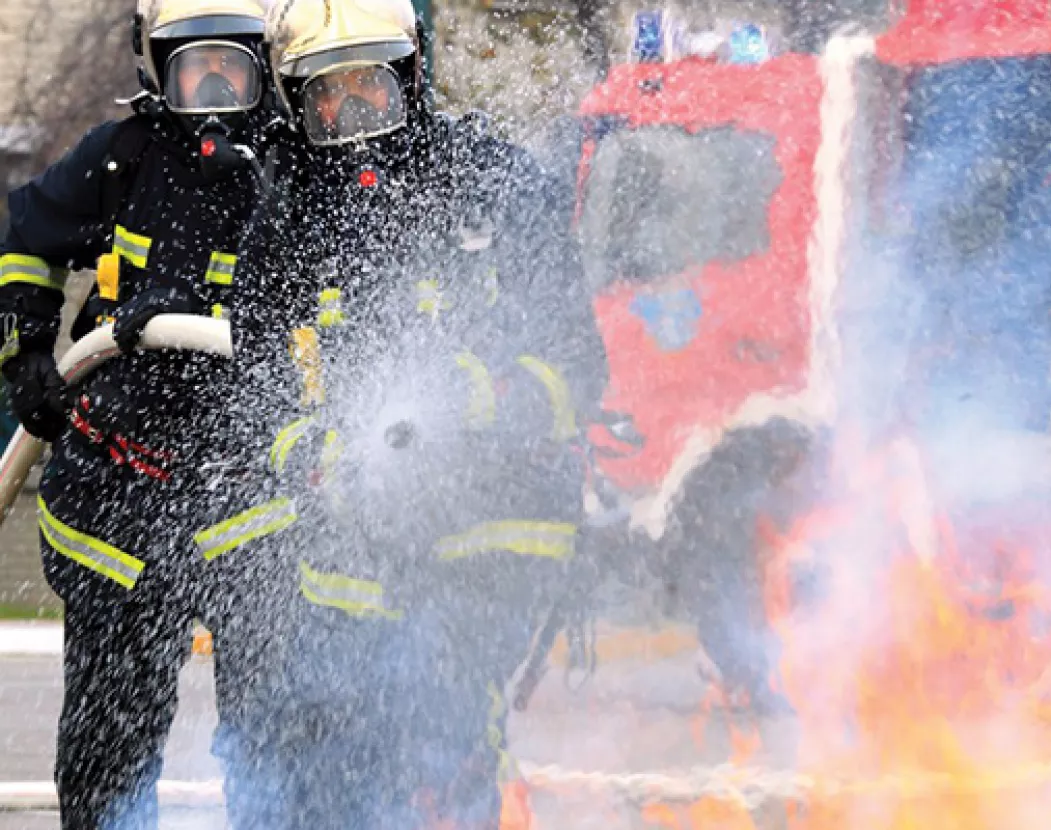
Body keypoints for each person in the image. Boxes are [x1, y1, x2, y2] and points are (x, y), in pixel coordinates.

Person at [211, 0, 607, 826]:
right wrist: (311, 452)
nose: (351, 110)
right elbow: (259, 387)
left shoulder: (494, 185)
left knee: (440, 740)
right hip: (347, 545)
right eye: (328, 92)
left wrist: (484, 401)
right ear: (296, 101)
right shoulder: (286, 221)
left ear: (410, 76)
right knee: (321, 752)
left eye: (369, 85)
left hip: (487, 528)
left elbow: (576, 363)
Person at [0, 1, 274, 826]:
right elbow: (26, 235)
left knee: (272, 735)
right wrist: (31, 356)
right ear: (157, 68)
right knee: (108, 742)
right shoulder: (120, 158)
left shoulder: (286, 165)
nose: (217, 85)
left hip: (248, 489)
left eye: (234, 66)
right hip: (118, 486)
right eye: (196, 67)